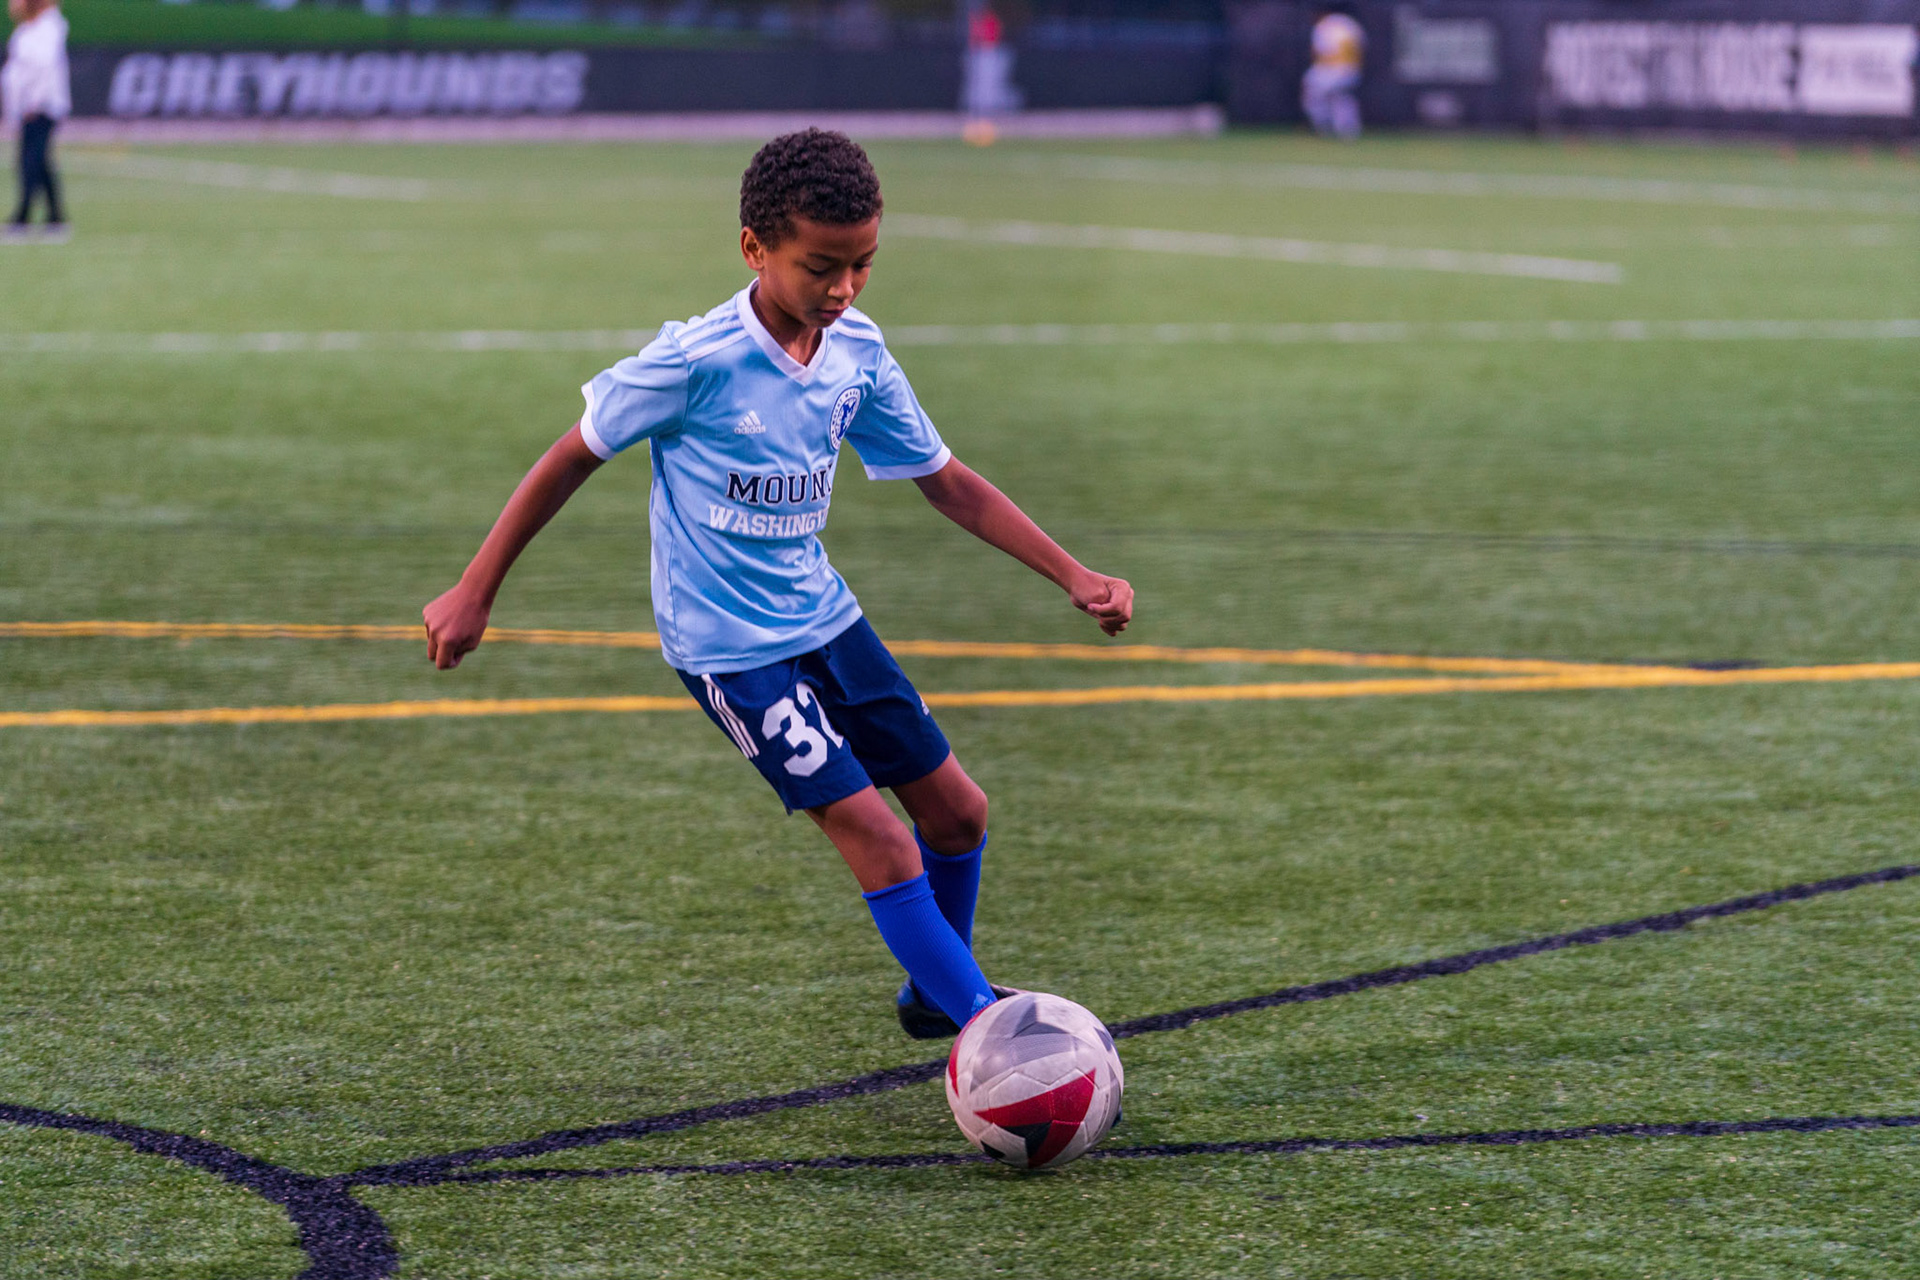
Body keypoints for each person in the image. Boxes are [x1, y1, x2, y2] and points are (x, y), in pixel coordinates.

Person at [422, 130, 1133, 1039]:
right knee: (876, 838)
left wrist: (1072, 573)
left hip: (824, 618)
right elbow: (570, 455)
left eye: (863, 266)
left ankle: (936, 993)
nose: (842, 290)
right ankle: (992, 1033)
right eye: (820, 267)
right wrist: (476, 589)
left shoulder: (857, 352)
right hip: (730, 650)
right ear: (755, 249)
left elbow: (945, 480)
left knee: (958, 814)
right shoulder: (696, 360)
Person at [2, 0, 68, 240]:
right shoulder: (26, 30)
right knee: (39, 162)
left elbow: (45, 69)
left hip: (41, 108)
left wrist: (34, 103)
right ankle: (56, 218)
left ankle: (23, 218)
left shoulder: (47, 29)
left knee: (30, 161)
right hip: (27, 108)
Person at [1302, 4, 1364, 140]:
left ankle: (1324, 128)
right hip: (1352, 70)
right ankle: (1348, 132)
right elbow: (1362, 46)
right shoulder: (1351, 23)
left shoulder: (1324, 25)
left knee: (1313, 95)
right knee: (1342, 99)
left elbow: (1319, 52)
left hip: (1331, 70)